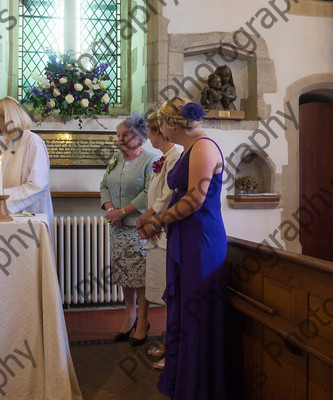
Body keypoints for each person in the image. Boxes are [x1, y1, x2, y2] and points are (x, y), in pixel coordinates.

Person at [143, 97, 231, 399]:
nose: (161, 131)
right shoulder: (189, 149)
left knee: (196, 311)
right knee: (182, 308)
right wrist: (155, 217)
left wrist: (159, 221)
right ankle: (185, 382)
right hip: (186, 237)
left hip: (202, 240)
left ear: (170, 123)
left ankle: (201, 387)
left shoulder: (204, 147)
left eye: (160, 123)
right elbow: (177, 194)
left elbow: (194, 199)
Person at [100, 111, 158, 347]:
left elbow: (148, 193)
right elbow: (104, 184)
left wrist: (123, 212)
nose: (121, 139)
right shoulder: (115, 159)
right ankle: (129, 315)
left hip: (139, 229)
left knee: (140, 276)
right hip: (117, 228)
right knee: (124, 274)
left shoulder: (151, 160)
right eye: (119, 135)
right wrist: (111, 209)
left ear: (141, 137)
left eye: (126, 135)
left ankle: (143, 320)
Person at [136, 112, 181, 370]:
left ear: (157, 131)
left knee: (169, 295)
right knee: (163, 295)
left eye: (148, 132)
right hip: (157, 232)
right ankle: (168, 342)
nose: (147, 137)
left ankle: (173, 349)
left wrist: (151, 219)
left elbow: (167, 195)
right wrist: (146, 218)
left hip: (164, 232)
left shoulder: (174, 155)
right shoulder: (164, 157)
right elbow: (155, 196)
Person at [0, 97, 53, 224]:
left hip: (31, 217)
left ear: (9, 119)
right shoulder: (5, 144)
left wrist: (4, 194)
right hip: (7, 216)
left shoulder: (33, 142)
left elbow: (38, 185)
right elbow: (6, 178)